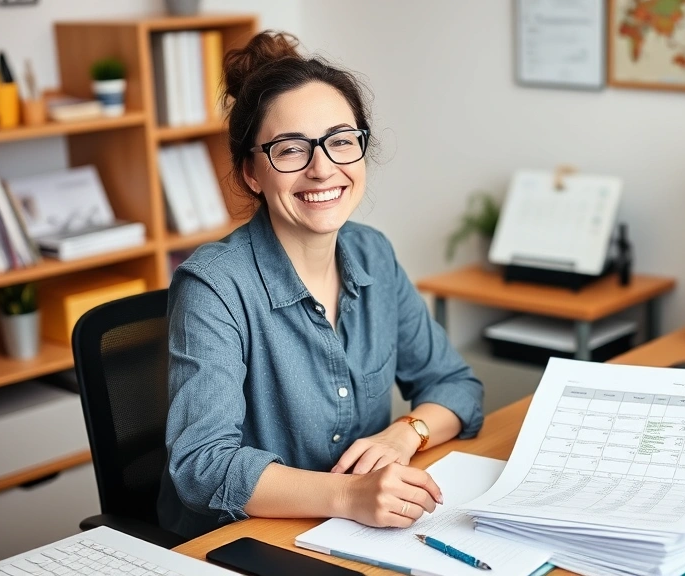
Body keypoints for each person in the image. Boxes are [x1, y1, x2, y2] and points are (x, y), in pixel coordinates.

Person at [157, 31, 484, 539]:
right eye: (290, 150)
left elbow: (456, 386)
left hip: (354, 530)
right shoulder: (214, 286)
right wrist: (349, 495)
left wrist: (405, 433)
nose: (323, 168)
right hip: (241, 542)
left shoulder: (373, 252)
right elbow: (203, 465)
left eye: (340, 141)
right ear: (251, 172)